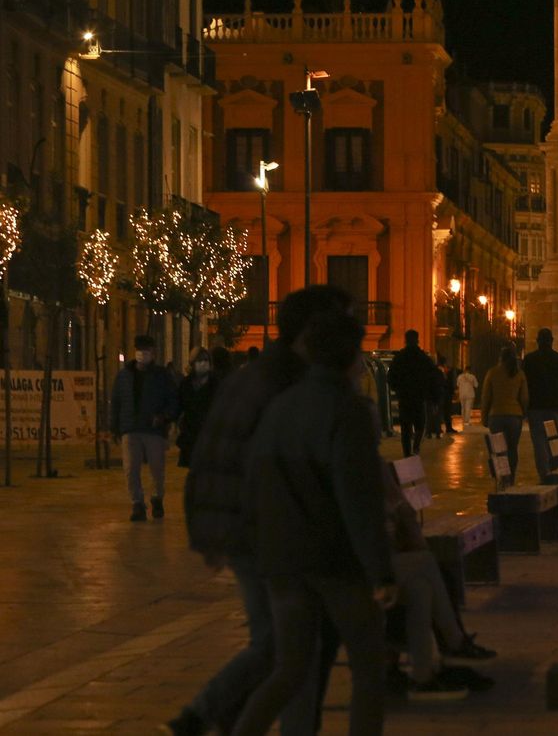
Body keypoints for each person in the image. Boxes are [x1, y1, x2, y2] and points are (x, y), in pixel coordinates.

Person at [167, 286, 354, 736]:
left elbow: (210, 455)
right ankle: (201, 715)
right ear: (316, 331)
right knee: (289, 645)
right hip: (260, 529)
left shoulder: (258, 374)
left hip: (240, 523)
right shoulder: (289, 385)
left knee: (281, 644)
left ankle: (220, 717)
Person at [232, 306, 395, 736]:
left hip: (282, 563)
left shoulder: (280, 406)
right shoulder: (350, 411)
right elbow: (358, 499)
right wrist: (381, 572)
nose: (363, 363)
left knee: (289, 672)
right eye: (359, 353)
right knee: (368, 667)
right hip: (334, 561)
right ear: (347, 357)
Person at [380, 462, 495, 700]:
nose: (378, 430)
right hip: (365, 567)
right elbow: (398, 517)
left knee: (420, 588)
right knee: (428, 563)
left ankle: (423, 677)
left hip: (386, 558)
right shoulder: (359, 465)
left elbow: (401, 518)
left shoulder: (373, 463)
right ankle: (454, 643)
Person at [111, 334, 179, 522]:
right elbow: (116, 401)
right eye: (140, 350)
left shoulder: (161, 376)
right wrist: (114, 427)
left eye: (147, 350)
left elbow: (173, 400)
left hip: (153, 429)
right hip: (130, 428)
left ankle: (157, 498)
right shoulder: (124, 375)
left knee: (157, 469)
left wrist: (164, 417)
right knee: (131, 469)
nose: (143, 354)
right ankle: (137, 504)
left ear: (154, 353)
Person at [522, 328, 558, 479]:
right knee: (554, 438)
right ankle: (556, 469)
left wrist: (524, 406)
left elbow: (524, 384)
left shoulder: (530, 360)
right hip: (555, 406)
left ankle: (544, 473)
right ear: (552, 341)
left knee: (539, 441)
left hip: (535, 406)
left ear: (538, 341)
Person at [479, 347, 531, 477]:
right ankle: (511, 477)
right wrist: (524, 413)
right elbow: (524, 397)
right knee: (512, 449)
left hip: (496, 415)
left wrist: (484, 416)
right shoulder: (519, 374)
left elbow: (486, 397)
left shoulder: (492, 373)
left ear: (500, 358)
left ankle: (501, 477)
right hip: (514, 416)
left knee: (498, 449)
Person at [387, 330, 435, 457]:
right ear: (417, 340)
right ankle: (416, 446)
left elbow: (391, 377)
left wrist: (398, 390)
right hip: (419, 398)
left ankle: (407, 453)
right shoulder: (423, 358)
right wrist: (430, 395)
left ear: (406, 340)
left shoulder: (399, 358)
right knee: (420, 425)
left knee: (406, 429)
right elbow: (432, 377)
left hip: (404, 398)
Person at [175, 348, 221, 469]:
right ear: (193, 363)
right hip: (191, 433)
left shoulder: (216, 384)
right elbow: (179, 405)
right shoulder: (186, 384)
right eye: (199, 360)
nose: (203, 363)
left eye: (206, 360)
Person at [456, 365, 479, 430]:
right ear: (470, 370)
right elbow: (476, 385)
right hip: (470, 394)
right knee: (468, 408)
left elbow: (457, 384)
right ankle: (467, 421)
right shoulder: (472, 377)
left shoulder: (460, 376)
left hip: (462, 393)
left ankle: (463, 420)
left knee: (463, 407)